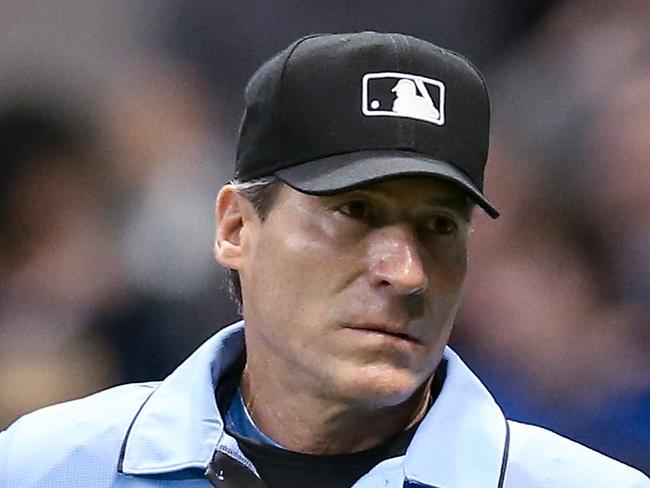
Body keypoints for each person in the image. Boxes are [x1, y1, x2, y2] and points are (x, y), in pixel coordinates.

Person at [1, 31, 648, 488]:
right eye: (354, 213)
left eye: (440, 225)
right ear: (235, 228)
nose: (406, 270)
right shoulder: (45, 468)